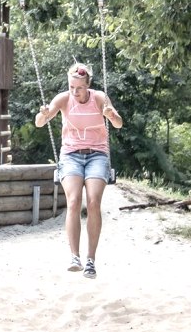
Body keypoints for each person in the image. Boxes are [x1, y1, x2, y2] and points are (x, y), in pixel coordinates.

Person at [34, 62, 124, 279]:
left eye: (79, 88)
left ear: (88, 85)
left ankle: (91, 259)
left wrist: (110, 114)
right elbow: (39, 123)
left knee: (93, 202)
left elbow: (119, 124)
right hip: (71, 155)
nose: (75, 92)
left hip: (97, 155)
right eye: (72, 87)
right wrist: (44, 114)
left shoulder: (100, 98)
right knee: (74, 201)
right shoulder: (64, 99)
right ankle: (75, 256)